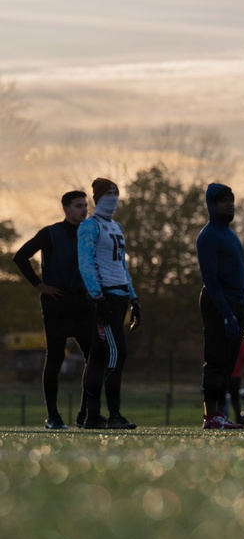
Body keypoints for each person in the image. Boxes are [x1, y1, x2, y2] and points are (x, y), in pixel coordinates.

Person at [11, 190, 96, 429]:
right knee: (56, 357)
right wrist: (40, 285)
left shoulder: (89, 234)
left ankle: (85, 414)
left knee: (94, 357)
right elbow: (20, 257)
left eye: (85, 206)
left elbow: (95, 262)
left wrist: (93, 287)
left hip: (83, 303)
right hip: (57, 303)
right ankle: (53, 417)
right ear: (66, 209)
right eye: (78, 206)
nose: (83, 210)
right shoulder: (50, 233)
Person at [77, 178, 140, 430]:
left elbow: (121, 264)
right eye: (108, 193)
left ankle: (92, 416)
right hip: (105, 298)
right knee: (117, 352)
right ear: (97, 197)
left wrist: (133, 297)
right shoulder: (90, 226)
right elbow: (85, 262)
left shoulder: (117, 226)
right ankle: (114, 414)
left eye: (116, 192)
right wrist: (97, 296)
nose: (113, 197)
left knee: (98, 356)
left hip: (120, 295)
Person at [197, 183, 244, 430]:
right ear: (212, 204)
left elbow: (238, 279)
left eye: (231, 200)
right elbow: (210, 279)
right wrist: (226, 313)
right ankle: (211, 416)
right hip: (218, 302)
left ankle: (221, 413)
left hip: (236, 303)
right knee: (216, 359)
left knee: (229, 363)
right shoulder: (208, 236)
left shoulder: (232, 236)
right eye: (223, 201)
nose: (230, 204)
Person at [227, 340, 244, 423]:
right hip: (236, 376)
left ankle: (220, 418)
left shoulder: (228, 344)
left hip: (226, 374)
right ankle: (239, 420)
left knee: (220, 398)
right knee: (235, 400)